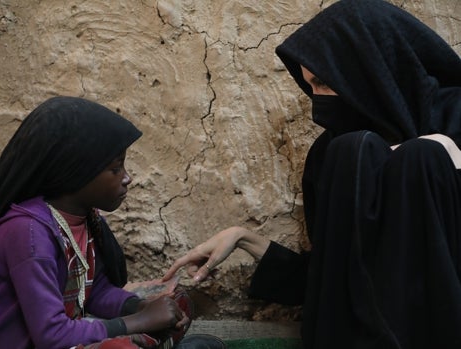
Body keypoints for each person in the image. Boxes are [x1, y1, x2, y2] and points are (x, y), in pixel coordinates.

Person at [163, 0, 461, 348]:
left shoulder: (454, 117)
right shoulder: (335, 154)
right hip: (354, 334)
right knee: (354, 151)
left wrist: (438, 164)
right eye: (310, 86)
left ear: (366, 69)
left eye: (324, 82)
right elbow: (334, 274)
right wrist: (243, 238)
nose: (316, 100)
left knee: (422, 156)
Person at [0, 96, 193, 349]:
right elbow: (52, 335)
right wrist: (139, 321)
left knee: (176, 306)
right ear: (75, 171)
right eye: (115, 169)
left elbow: (94, 291)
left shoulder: (82, 220)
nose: (127, 178)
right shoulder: (28, 233)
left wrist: (139, 307)